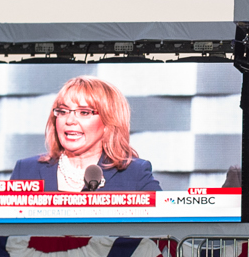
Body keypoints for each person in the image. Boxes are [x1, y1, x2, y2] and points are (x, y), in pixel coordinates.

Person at [9, 76, 158, 192]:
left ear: (108, 122)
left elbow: (162, 228)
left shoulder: (134, 174)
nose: (70, 120)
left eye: (84, 112)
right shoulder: (27, 170)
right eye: (63, 111)